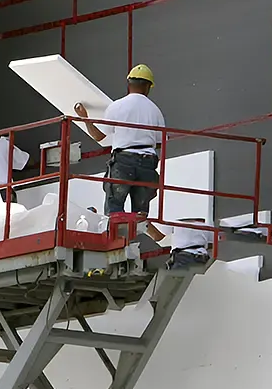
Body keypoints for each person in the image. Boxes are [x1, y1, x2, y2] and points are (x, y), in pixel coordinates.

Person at [74, 65, 163, 216]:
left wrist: (84, 118)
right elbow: (160, 143)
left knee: (114, 208)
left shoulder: (117, 106)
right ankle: (137, 230)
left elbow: (98, 136)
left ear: (129, 84)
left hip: (124, 162)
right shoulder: (155, 111)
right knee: (140, 215)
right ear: (148, 86)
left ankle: (117, 229)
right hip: (148, 163)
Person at [146, 218, 214, 269]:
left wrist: (143, 222)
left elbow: (157, 236)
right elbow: (211, 243)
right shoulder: (208, 216)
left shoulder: (177, 213)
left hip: (183, 258)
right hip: (202, 257)